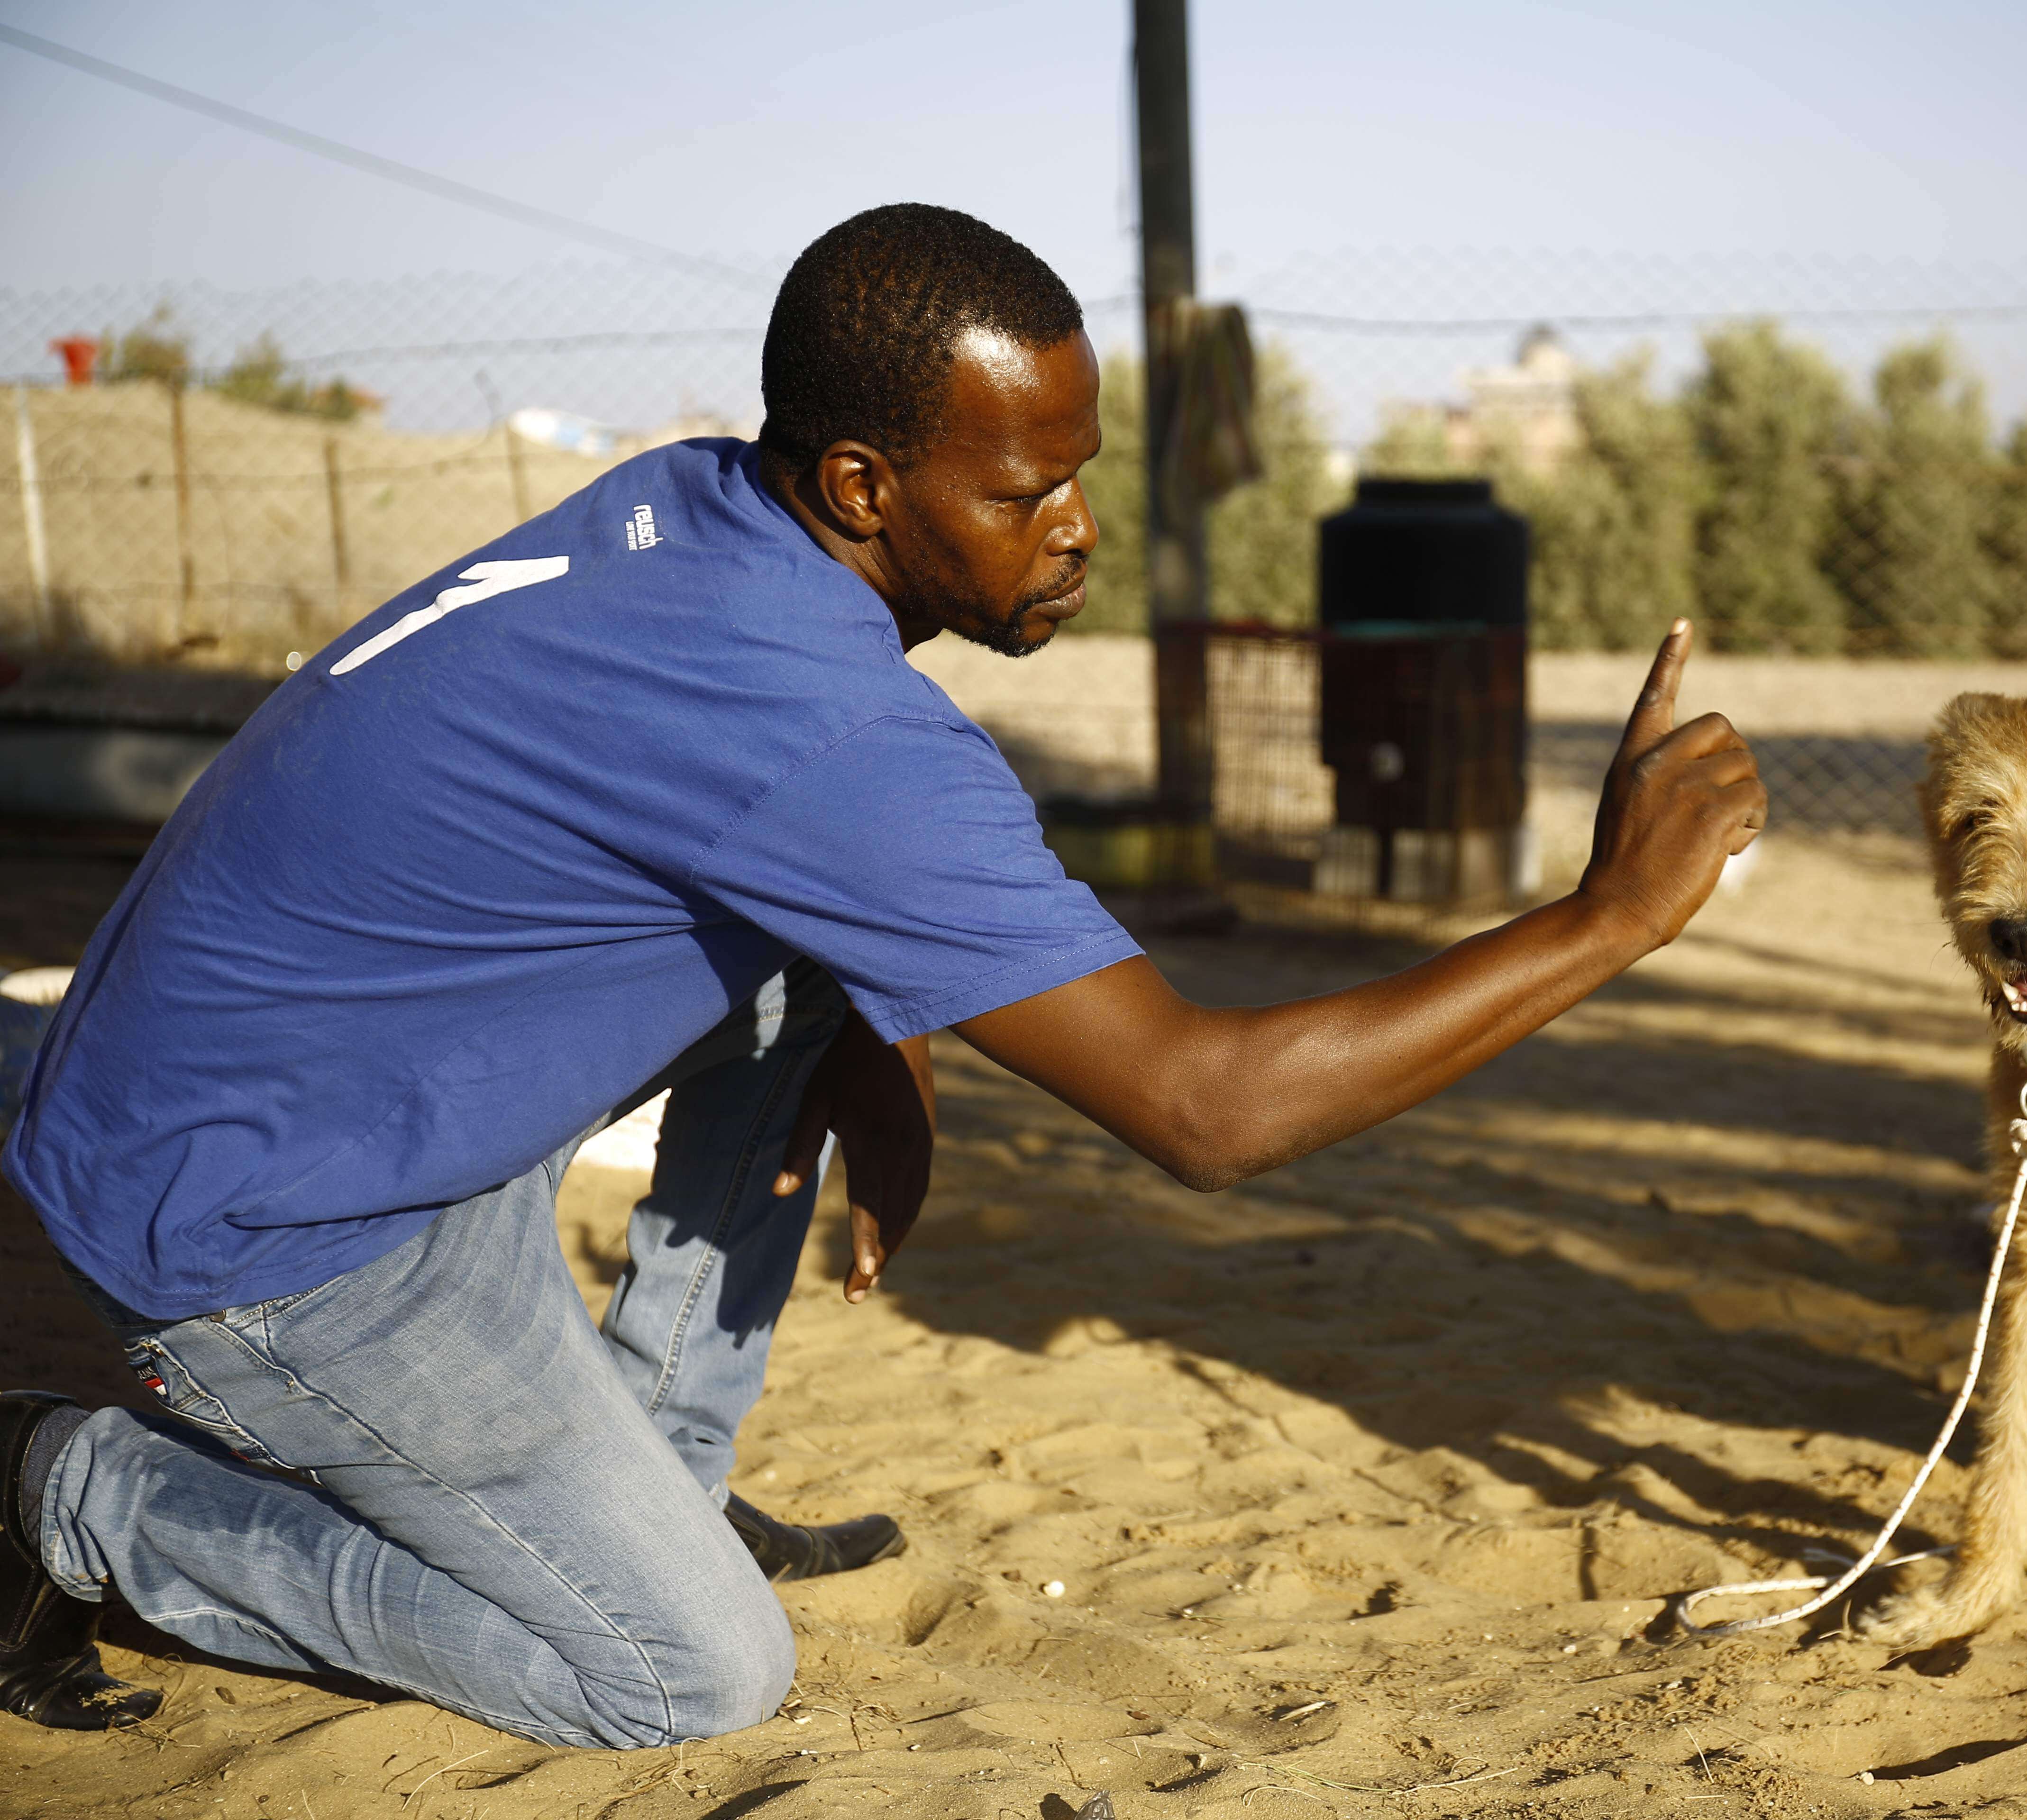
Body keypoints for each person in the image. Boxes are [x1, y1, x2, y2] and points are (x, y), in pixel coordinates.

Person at [0, 204, 1762, 1747]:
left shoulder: (701, 508)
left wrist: (861, 1023)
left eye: (1081, 473)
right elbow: (1208, 1111)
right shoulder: (831, 728)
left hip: (256, 1083)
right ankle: (64, 1491)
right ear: (859, 483)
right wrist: (1604, 917)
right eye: (1021, 492)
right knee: (680, 1676)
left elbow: (719, 830)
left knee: (824, 978)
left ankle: (658, 1476)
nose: (1075, 528)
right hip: (260, 1234)